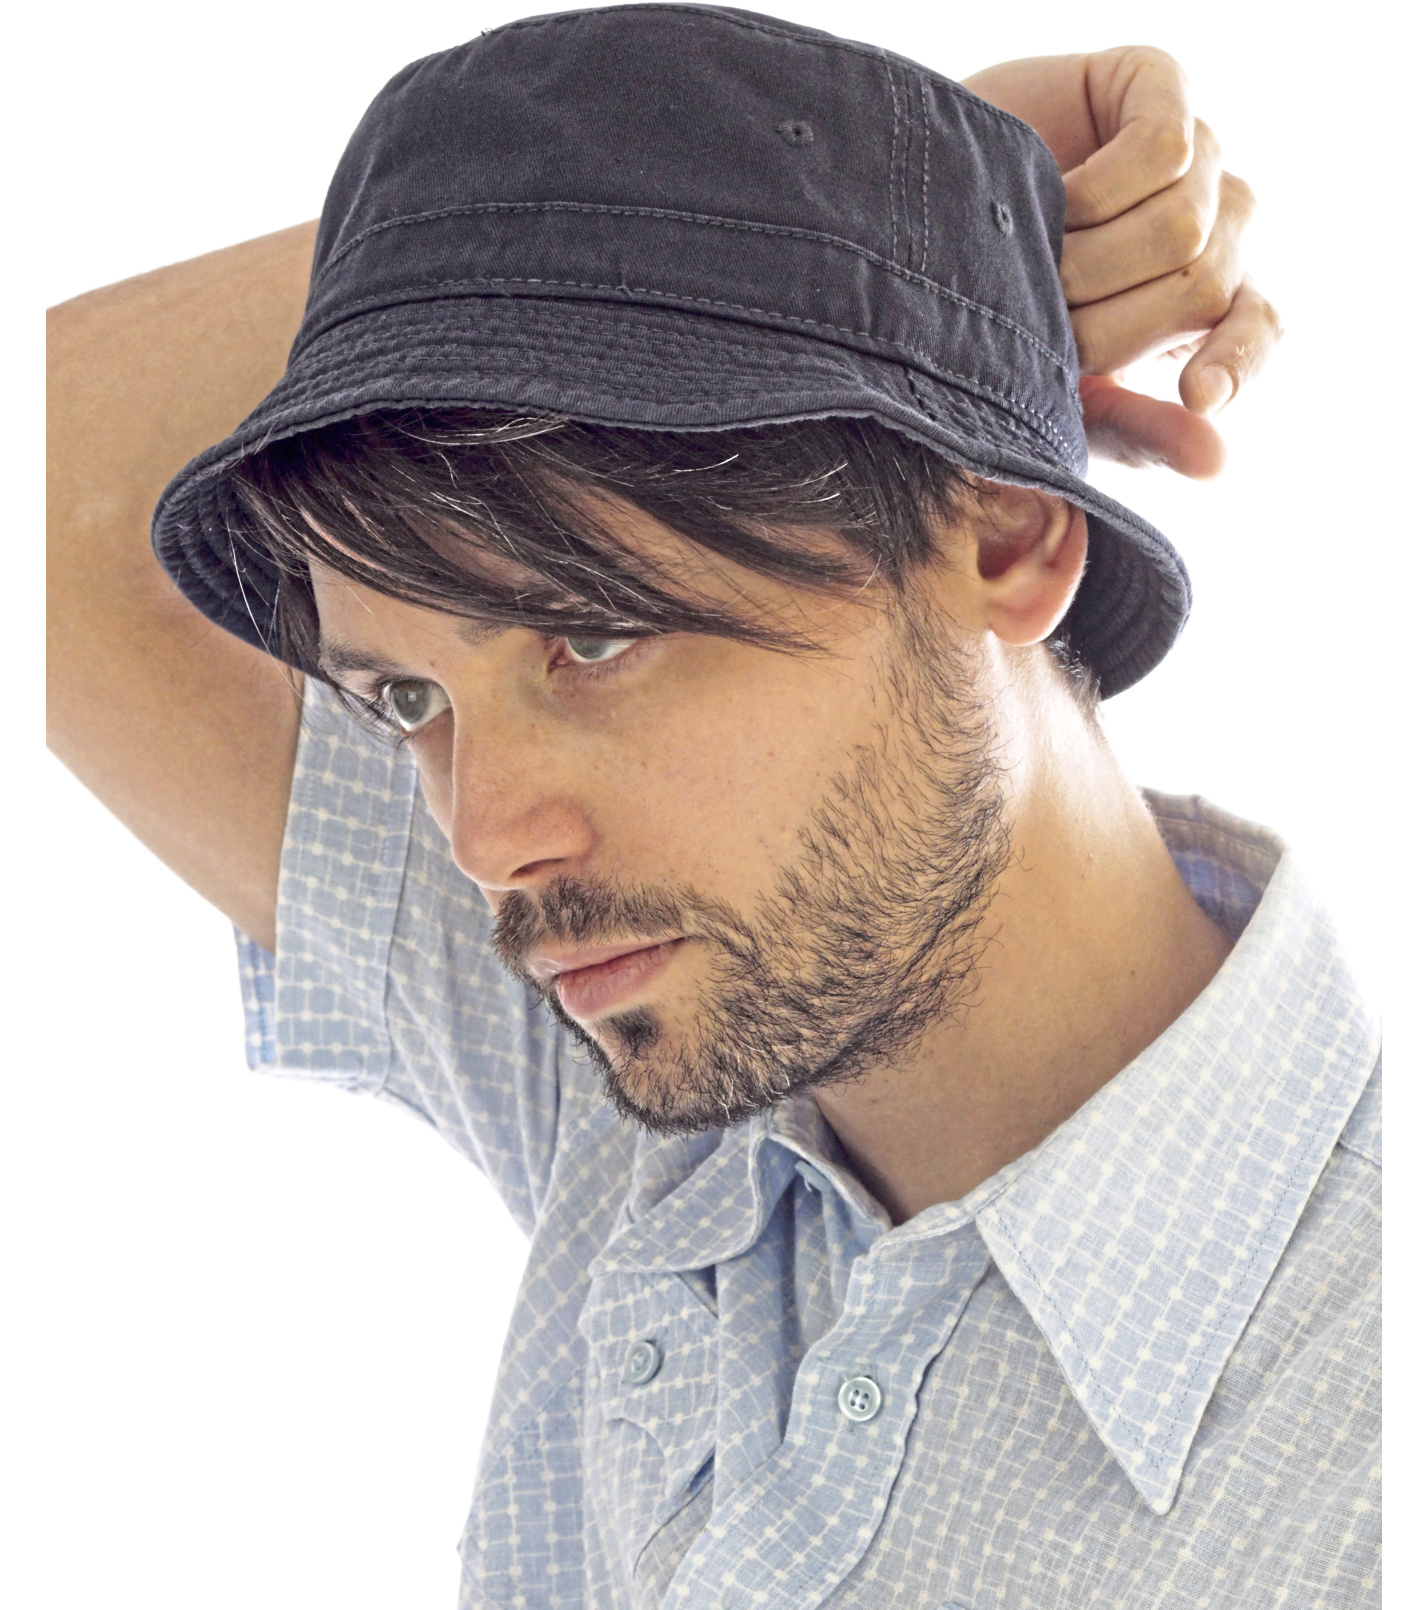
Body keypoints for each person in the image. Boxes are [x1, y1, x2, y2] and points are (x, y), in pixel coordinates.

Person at [46, 7, 1378, 1608]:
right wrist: (851, 204)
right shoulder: (655, 1045)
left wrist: (884, 236)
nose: (486, 839)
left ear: (1002, 536)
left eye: (595, 635)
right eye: (405, 699)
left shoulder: (1363, 1451)